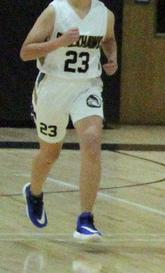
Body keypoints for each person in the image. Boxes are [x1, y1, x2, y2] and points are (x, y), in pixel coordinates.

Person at [19, 0, 118, 240]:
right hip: (53, 87)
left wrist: (112, 58)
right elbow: (25, 52)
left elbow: (108, 39)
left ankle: (86, 219)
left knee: (93, 141)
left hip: (87, 86)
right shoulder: (56, 10)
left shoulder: (104, 14)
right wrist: (59, 42)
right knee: (50, 154)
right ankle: (34, 192)